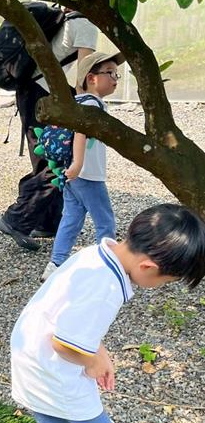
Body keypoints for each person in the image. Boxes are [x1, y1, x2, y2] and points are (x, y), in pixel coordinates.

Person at [10, 203, 205, 423]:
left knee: (54, 412)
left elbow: (68, 315)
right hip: (50, 365)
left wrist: (97, 349)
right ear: (148, 267)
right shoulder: (106, 289)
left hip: (32, 352)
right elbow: (64, 344)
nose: (162, 286)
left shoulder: (97, 255)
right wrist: (91, 361)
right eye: (167, 281)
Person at [0, 8, 100, 251]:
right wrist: (88, 109)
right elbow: (84, 79)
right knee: (58, 161)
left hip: (31, 91)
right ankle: (17, 219)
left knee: (46, 157)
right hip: (43, 95)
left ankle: (48, 222)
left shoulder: (70, 19)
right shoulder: (86, 24)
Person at [42, 51, 125, 281]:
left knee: (71, 219)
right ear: (91, 78)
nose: (115, 79)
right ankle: (107, 268)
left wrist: (74, 166)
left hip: (72, 174)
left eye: (116, 74)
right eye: (110, 73)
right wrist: (78, 163)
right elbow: (81, 131)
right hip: (87, 174)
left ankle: (55, 264)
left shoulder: (78, 102)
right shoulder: (91, 104)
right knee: (105, 221)